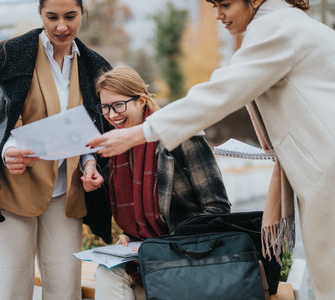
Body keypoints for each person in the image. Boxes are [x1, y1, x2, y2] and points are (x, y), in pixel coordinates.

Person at [88, 0, 335, 299]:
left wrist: (142, 132)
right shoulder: (279, 26)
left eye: (225, 3)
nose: (217, 15)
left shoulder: (277, 28)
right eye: (213, 5)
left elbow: (220, 93)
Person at [0, 0, 112, 299]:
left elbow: (90, 129)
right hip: (14, 190)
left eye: (70, 16)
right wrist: (9, 150)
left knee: (65, 287)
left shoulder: (95, 66)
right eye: (51, 17)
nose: (61, 26)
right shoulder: (12, 55)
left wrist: (90, 163)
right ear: (40, 14)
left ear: (83, 12)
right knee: (9, 285)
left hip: (67, 193)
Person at [92, 66, 231, 300]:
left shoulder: (181, 136)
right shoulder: (117, 150)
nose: (112, 114)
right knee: (106, 272)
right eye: (105, 107)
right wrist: (130, 237)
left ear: (141, 101)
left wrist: (168, 248)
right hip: (146, 254)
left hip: (189, 253)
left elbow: (217, 209)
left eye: (118, 105)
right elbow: (138, 218)